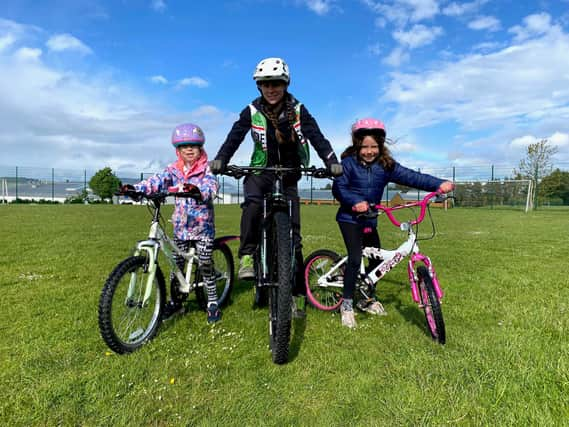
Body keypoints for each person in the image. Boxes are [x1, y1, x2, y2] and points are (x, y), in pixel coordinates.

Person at [210, 57, 342, 313]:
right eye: (266, 84)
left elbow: (317, 137)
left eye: (277, 84)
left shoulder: (299, 109)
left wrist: (332, 161)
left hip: (290, 173)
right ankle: (248, 254)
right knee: (252, 204)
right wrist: (221, 160)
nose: (271, 89)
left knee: (294, 232)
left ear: (286, 84)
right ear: (259, 86)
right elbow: (234, 137)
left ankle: (296, 285)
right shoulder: (251, 110)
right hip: (262, 171)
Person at [332, 118, 454, 328]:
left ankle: (367, 298)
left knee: (376, 260)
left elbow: (413, 177)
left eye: (374, 146)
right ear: (357, 145)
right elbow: (339, 188)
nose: (369, 151)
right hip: (350, 218)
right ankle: (347, 304)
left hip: (371, 217)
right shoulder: (348, 164)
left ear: (380, 145)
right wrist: (355, 202)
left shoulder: (385, 165)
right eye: (365, 147)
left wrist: (438, 184)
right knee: (354, 258)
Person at [127, 123, 221, 323]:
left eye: (193, 146)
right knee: (175, 264)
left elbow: (211, 186)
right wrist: (136, 189)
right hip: (181, 227)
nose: (189, 149)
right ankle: (175, 302)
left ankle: (212, 300)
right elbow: (157, 181)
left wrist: (198, 191)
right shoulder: (173, 170)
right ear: (177, 150)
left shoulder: (206, 168)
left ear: (200, 148)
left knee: (205, 262)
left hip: (202, 227)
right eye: (184, 146)